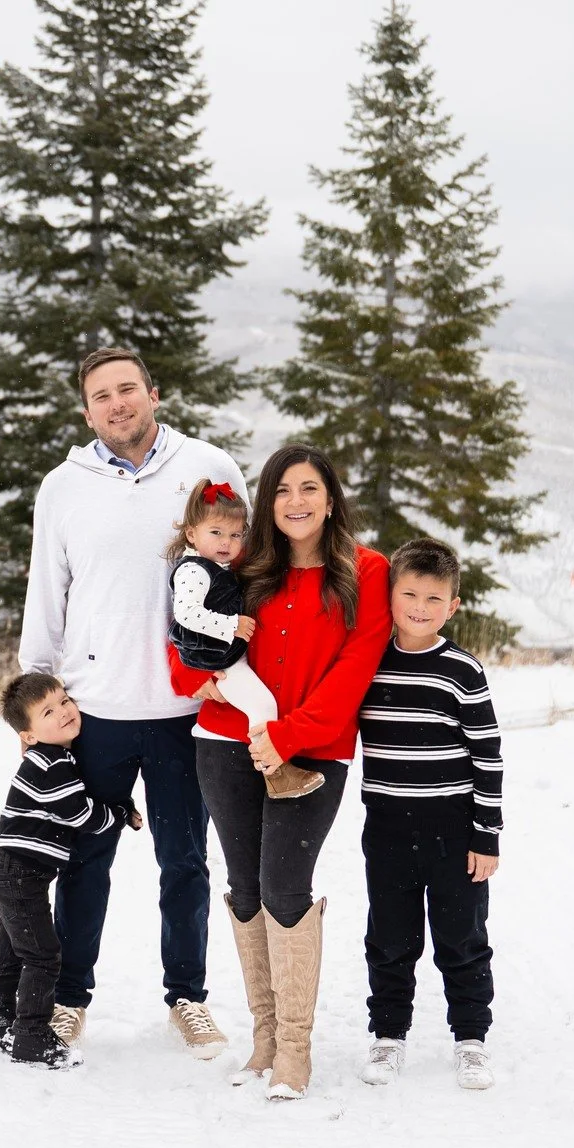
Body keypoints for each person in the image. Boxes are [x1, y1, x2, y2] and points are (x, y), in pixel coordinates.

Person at [20, 347, 245, 1058]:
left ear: (153, 392)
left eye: (128, 389)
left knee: (185, 863)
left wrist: (244, 675)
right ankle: (69, 996)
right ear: (86, 411)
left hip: (187, 711)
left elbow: (247, 571)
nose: (117, 403)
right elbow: (45, 594)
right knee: (86, 859)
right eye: (101, 395)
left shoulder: (208, 470)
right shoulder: (63, 487)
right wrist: (33, 701)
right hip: (97, 712)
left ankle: (188, 996)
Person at [169, 444, 391, 1100]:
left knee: (283, 884)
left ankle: (295, 1047)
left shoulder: (365, 570)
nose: (295, 501)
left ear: (330, 498)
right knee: (242, 885)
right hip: (226, 743)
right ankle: (263, 1037)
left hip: (314, 748)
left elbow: (356, 668)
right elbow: (187, 636)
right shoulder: (247, 565)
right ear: (267, 502)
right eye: (282, 490)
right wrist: (196, 682)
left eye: (308, 488)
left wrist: (288, 734)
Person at [355, 538, 503, 1092]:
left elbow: (487, 757)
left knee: (461, 936)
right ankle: (388, 1036)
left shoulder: (462, 671)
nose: (420, 607)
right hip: (387, 825)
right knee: (390, 936)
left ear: (453, 606)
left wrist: (486, 836)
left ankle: (471, 1039)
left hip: (453, 830)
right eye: (409, 594)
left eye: (433, 598)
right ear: (390, 596)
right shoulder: (367, 661)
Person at [0, 673, 141, 1068]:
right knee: (42, 956)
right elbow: (81, 814)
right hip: (21, 874)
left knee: (12, 950)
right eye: (48, 712)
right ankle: (32, 1036)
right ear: (28, 735)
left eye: (65, 700)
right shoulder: (50, 763)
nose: (64, 712)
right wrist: (121, 814)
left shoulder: (57, 757)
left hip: (15, 872)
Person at [164, 478, 321, 800]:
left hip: (227, 654)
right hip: (217, 660)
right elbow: (186, 614)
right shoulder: (193, 570)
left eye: (235, 535)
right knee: (262, 704)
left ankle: (276, 770)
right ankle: (275, 773)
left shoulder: (217, 566)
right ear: (192, 533)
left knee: (260, 701)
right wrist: (229, 626)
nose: (227, 542)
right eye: (216, 533)